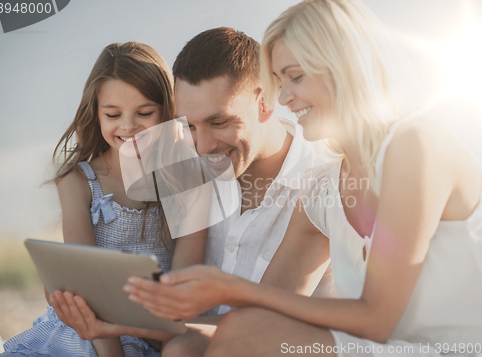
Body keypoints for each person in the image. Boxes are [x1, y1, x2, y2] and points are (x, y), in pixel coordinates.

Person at [121, 1, 482, 356]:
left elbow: (377, 319)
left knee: (240, 335)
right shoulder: (323, 187)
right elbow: (262, 317)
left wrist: (233, 289)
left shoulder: (415, 144)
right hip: (374, 348)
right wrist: (121, 325)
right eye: (280, 81)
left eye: (295, 78)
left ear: (346, 67)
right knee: (195, 346)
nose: (284, 98)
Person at [50, 27, 336, 357]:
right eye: (189, 125)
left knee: (182, 349)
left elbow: (260, 326)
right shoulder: (186, 170)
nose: (203, 146)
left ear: (265, 102)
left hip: (282, 344)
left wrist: (121, 326)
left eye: (219, 122)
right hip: (194, 339)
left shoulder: (320, 183)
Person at [1, 42, 206, 357]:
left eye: (145, 112)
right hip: (85, 333)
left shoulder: (188, 180)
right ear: (96, 114)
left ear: (168, 110)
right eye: (113, 114)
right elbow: (85, 289)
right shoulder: (77, 181)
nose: (128, 126)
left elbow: (182, 295)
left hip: (153, 334)